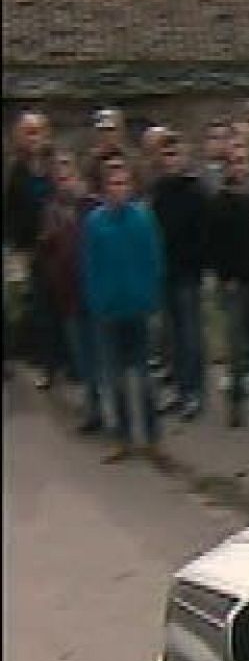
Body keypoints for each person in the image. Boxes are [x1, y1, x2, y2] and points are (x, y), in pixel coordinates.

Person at [82, 162, 165, 464]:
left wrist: (152, 299)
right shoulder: (94, 223)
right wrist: (97, 302)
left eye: (123, 184)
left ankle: (153, 438)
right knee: (115, 379)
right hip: (109, 312)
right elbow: (90, 266)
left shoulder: (142, 219)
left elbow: (154, 261)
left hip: (139, 310)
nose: (119, 190)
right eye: (113, 184)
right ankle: (123, 438)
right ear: (104, 190)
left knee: (144, 378)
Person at [37, 154, 102, 429]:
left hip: (96, 292)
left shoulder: (93, 208)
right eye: (60, 178)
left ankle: (111, 408)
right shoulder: (50, 212)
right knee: (82, 357)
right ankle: (93, 409)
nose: (65, 183)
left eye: (69, 176)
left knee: (102, 355)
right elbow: (47, 253)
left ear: (78, 178)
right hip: (68, 295)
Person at [207, 145, 249, 429]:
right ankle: (236, 403)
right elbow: (215, 244)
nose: (238, 166)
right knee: (235, 345)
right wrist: (224, 276)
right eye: (233, 161)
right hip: (234, 283)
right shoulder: (220, 202)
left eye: (243, 161)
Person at [150, 132, 210, 420]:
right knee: (171, 336)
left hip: (187, 275)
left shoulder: (196, 192)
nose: (170, 160)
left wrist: (194, 263)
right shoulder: (159, 191)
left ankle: (195, 393)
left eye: (175, 154)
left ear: (184, 157)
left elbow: (204, 236)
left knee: (190, 336)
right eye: (166, 155)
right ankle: (179, 390)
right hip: (164, 273)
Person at [5, 111, 56, 386]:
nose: (33, 137)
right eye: (28, 132)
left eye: (37, 131)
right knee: (39, 308)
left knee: (62, 306)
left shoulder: (53, 165)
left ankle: (64, 361)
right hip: (32, 250)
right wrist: (18, 250)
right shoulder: (17, 171)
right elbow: (12, 213)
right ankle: (44, 363)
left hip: (59, 248)